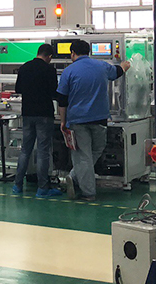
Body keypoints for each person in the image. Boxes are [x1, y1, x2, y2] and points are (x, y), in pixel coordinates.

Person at [56, 39, 131, 201]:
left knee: (83, 156)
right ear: (88, 52)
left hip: (78, 120)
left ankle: (87, 191)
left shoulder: (68, 71)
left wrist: (63, 121)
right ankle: (75, 177)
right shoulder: (102, 66)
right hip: (100, 118)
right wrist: (125, 66)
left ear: (72, 53)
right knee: (96, 150)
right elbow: (118, 72)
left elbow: (62, 100)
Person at [12, 43, 64, 198]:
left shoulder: (24, 67)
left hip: (27, 113)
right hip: (44, 115)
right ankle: (42, 188)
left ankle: (17, 185)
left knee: (25, 150)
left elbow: (18, 89)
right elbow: (54, 92)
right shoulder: (49, 70)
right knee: (43, 151)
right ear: (49, 56)